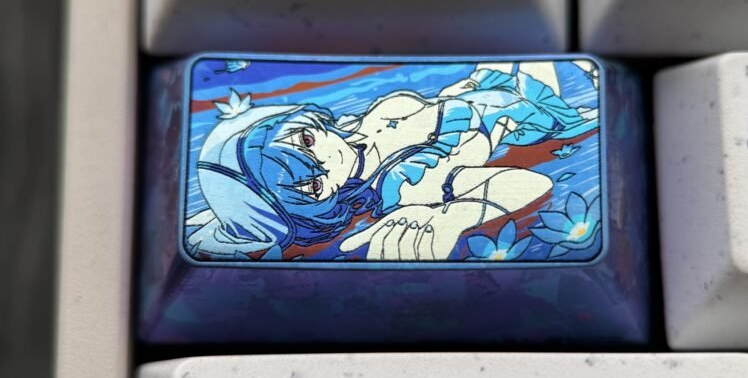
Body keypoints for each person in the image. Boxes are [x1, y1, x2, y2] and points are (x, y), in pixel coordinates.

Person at [185, 61, 598, 262]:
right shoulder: (407, 184)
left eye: (307, 140)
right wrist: (451, 217)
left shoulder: (350, 128)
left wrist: (222, 212)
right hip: (528, 106)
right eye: (314, 186)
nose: (327, 160)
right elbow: (530, 185)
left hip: (476, 83)